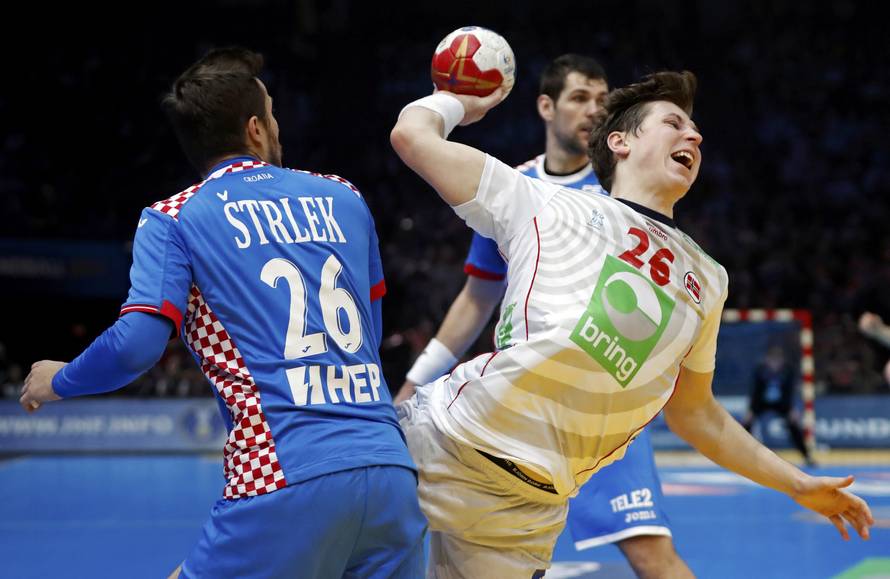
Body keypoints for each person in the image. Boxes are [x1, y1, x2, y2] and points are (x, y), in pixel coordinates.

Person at [390, 69, 873, 577]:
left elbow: (697, 416)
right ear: (619, 141)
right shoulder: (543, 201)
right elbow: (412, 136)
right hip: (440, 442)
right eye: (674, 123)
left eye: (694, 129)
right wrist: (458, 100)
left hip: (527, 509)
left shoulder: (708, 279)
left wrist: (795, 482)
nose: (695, 135)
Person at [20, 47, 426, 579]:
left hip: (281, 472)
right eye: (274, 114)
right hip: (390, 470)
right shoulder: (344, 196)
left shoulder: (173, 218)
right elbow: (366, 338)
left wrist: (59, 380)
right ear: (256, 129)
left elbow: (139, 344)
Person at [395, 54, 691, 578]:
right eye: (580, 98)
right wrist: (417, 377)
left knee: (651, 556)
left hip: (598, 419)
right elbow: (476, 298)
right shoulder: (520, 187)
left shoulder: (627, 191)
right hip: (517, 413)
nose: (594, 111)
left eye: (603, 101)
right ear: (546, 106)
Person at [742, 345, 816, 467]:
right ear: (767, 359)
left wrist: (791, 409)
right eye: (772, 360)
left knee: (794, 425)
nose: (775, 363)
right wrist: (750, 410)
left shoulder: (787, 371)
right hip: (761, 402)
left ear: (781, 360)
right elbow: (755, 391)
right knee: (746, 425)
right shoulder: (760, 370)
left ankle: (806, 456)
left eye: (777, 360)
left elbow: (789, 391)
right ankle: (741, 455)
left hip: (782, 403)